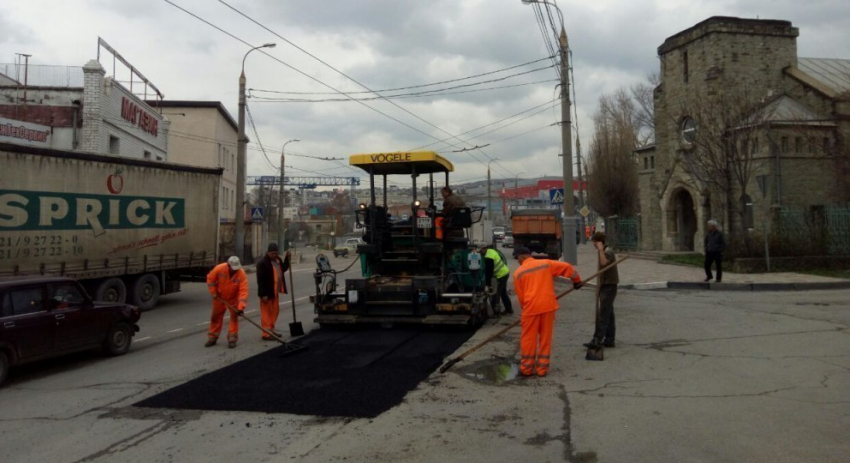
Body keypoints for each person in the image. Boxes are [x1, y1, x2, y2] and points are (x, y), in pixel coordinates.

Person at [513, 246, 583, 377]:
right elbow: (567, 268)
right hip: (548, 306)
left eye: (517, 258)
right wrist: (577, 281)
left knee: (528, 338)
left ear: (522, 257)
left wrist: (525, 309)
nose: (517, 261)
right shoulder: (545, 264)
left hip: (531, 308)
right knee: (545, 339)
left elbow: (521, 297)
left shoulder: (518, 273)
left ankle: (527, 369)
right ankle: (542, 369)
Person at [583, 232, 619, 349]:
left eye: (594, 242)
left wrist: (600, 250)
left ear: (598, 242)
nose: (593, 244)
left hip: (609, 287)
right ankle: (609, 340)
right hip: (605, 285)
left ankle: (597, 340)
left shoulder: (607, 251)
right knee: (609, 314)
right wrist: (598, 287)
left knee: (603, 315)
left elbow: (604, 263)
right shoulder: (604, 251)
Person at [206, 256, 249, 348]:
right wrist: (213, 292)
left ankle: (232, 338)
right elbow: (210, 279)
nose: (235, 270)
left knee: (234, 317)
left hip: (233, 298)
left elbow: (243, 291)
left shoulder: (241, 274)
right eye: (233, 268)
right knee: (216, 316)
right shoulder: (219, 268)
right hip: (219, 296)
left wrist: (240, 308)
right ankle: (213, 337)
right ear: (228, 266)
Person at [256, 243, 291, 340]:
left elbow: (283, 269)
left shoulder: (278, 260)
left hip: (275, 292)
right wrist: (263, 294)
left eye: (276, 253)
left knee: (275, 312)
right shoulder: (262, 263)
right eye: (272, 253)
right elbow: (260, 280)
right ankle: (266, 334)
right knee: (266, 314)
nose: (274, 255)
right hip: (266, 293)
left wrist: (287, 259)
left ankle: (271, 330)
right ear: (268, 252)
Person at [481, 244, 513, 315]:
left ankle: (496, 312)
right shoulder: (491, 251)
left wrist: (487, 285)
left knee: (496, 294)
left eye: (480, 251)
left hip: (501, 275)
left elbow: (489, 272)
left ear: (484, 248)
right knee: (503, 292)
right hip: (505, 273)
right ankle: (509, 309)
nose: (480, 253)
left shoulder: (489, 257)